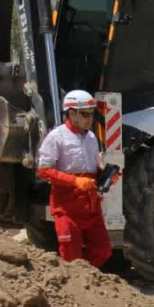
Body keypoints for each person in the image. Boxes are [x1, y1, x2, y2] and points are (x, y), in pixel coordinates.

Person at [36, 90, 113, 268]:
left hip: (91, 207)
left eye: (91, 114)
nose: (90, 119)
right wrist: (75, 181)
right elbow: (43, 171)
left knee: (103, 251)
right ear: (71, 113)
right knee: (71, 257)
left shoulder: (91, 138)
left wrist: (106, 177)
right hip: (67, 208)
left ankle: (86, 279)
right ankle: (74, 286)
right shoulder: (56, 137)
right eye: (85, 114)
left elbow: (94, 167)